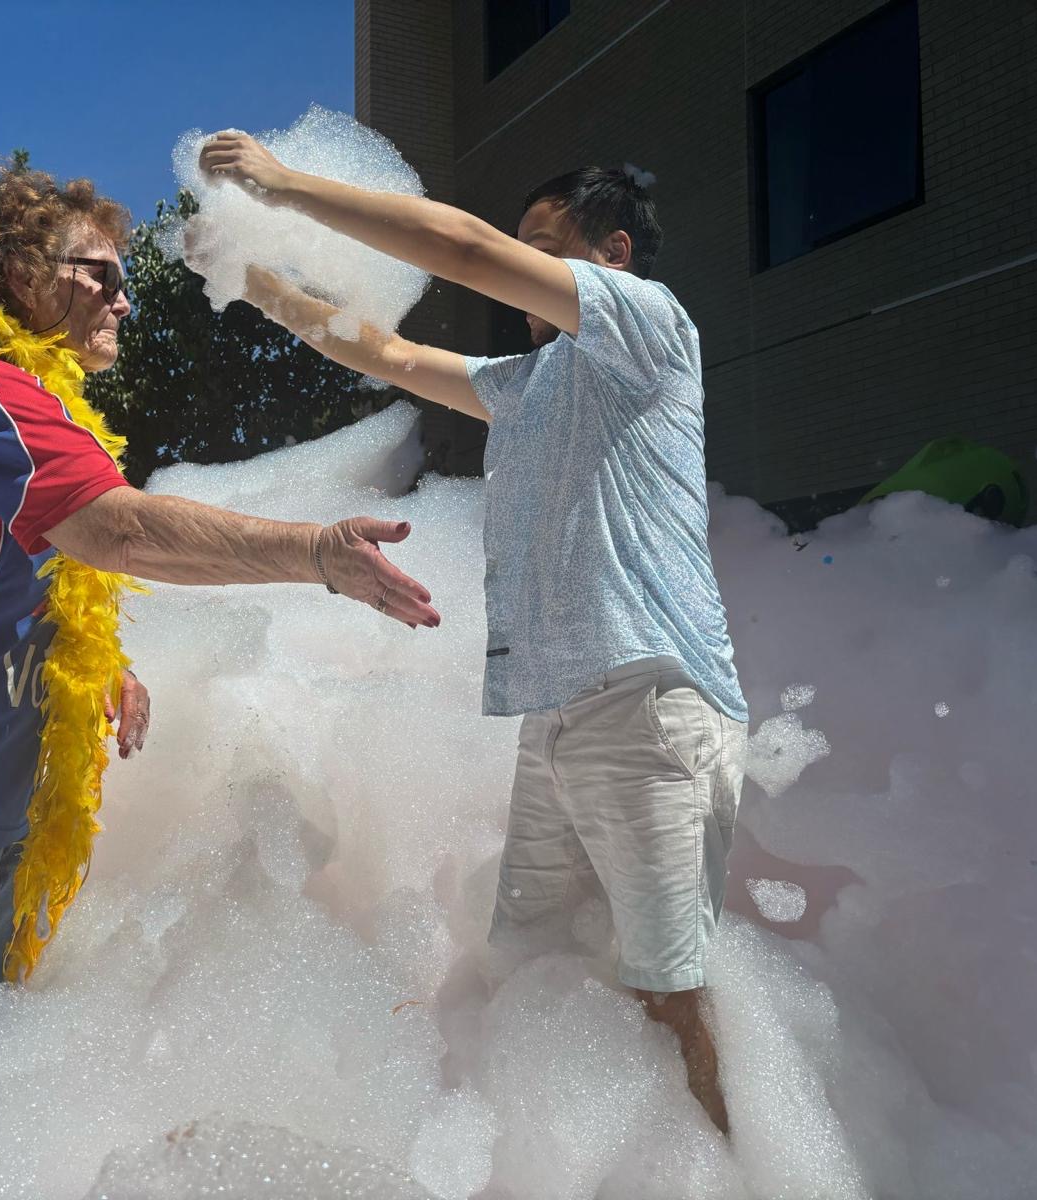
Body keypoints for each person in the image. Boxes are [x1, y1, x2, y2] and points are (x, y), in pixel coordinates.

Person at [0, 163, 440, 1189]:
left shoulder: (39, 412)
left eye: (122, 276)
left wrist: (97, 660)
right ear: (12, 272)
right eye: (95, 271)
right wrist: (316, 552)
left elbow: (34, 566)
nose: (121, 296)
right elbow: (118, 531)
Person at [195, 135, 748, 1135]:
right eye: (520, 248)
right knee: (539, 969)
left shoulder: (649, 327)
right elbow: (389, 354)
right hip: (560, 710)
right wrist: (254, 277)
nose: (516, 266)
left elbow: (458, 245)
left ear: (613, 253)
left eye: (541, 247)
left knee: (665, 990)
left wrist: (284, 185)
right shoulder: (529, 383)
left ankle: (725, 1167)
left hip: (650, 695)